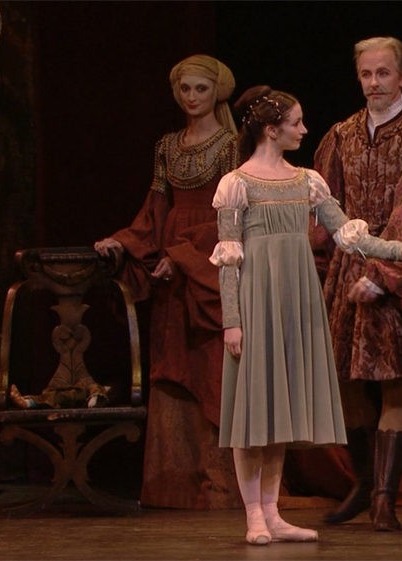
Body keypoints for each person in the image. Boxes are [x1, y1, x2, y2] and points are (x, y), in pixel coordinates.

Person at [209, 85, 402, 545]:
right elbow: (228, 258)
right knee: (253, 414)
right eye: (296, 122)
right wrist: (233, 320)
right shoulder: (237, 184)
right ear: (271, 130)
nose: (304, 129)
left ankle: (272, 513)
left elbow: (346, 234)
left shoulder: (307, 181)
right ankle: (254, 515)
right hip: (257, 302)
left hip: (296, 302)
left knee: (279, 411)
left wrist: (399, 250)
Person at [310, 36, 402, 531]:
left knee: (397, 381)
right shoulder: (341, 135)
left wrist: (382, 276)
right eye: (366, 74)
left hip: (400, 270)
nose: (374, 83)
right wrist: (316, 269)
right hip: (347, 270)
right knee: (347, 380)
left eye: (383, 73)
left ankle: (384, 498)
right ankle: (363, 483)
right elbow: (322, 209)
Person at [93, 54, 239, 509]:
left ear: (216, 91)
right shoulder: (167, 146)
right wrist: (123, 241)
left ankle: (221, 485)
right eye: (184, 89)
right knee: (173, 362)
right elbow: (155, 210)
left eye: (200, 88)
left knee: (210, 365)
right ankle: (173, 484)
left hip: (208, 257)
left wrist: (185, 256)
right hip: (171, 265)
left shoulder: (231, 145)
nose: (192, 97)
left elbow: (232, 215)